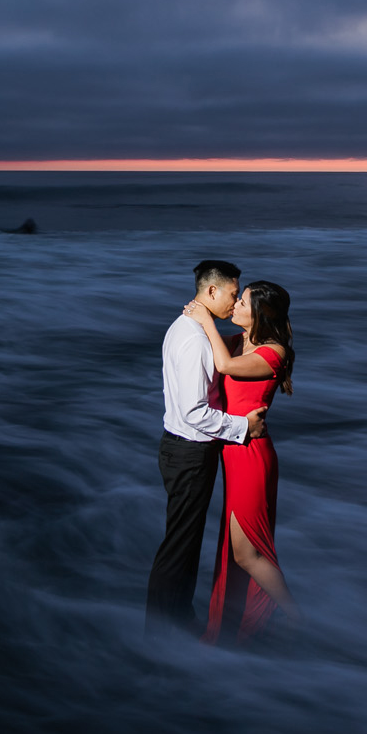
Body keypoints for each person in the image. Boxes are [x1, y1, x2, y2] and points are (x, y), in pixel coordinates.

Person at [146, 261, 268, 634]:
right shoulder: (195, 339)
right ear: (212, 291)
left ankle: (173, 622)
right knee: (179, 548)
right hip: (190, 453)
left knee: (182, 543)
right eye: (234, 294)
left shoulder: (189, 327)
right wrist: (243, 427)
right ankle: (165, 631)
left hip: (180, 450)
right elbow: (194, 411)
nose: (235, 303)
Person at [183, 279, 299, 644]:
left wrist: (204, 319)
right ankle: (234, 631)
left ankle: (296, 619)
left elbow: (226, 365)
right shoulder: (239, 340)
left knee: (247, 553)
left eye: (243, 301)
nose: (234, 306)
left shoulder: (273, 353)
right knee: (236, 552)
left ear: (260, 313)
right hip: (232, 453)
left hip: (251, 456)